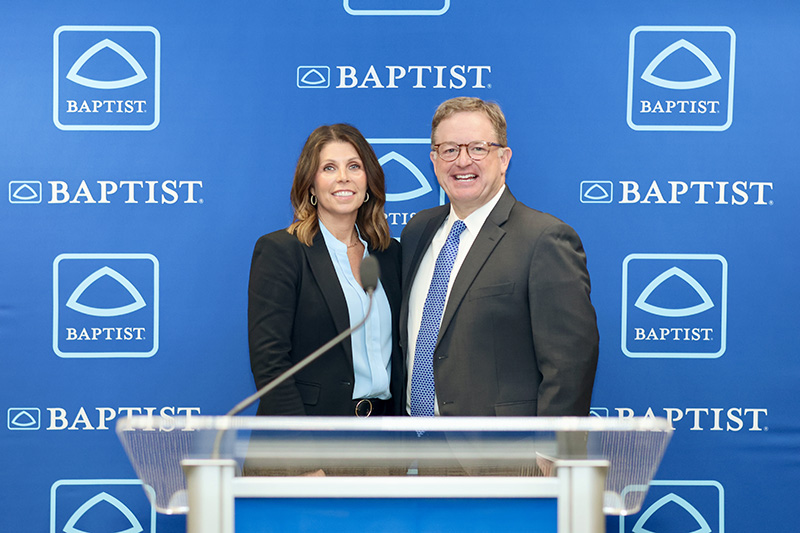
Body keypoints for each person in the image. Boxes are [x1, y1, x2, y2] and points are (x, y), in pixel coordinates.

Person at [401, 97, 599, 418]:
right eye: (449, 149)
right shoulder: (418, 231)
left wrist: (552, 447)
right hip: (415, 448)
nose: (462, 161)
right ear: (434, 160)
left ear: (504, 158)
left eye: (478, 148)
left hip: (504, 454)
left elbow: (570, 363)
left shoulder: (544, 239)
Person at [248, 123, 402, 417]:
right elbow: (270, 363)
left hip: (383, 443)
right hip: (310, 439)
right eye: (329, 168)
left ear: (368, 180)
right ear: (311, 184)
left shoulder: (390, 254)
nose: (343, 178)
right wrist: (303, 458)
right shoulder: (282, 251)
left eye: (354, 166)